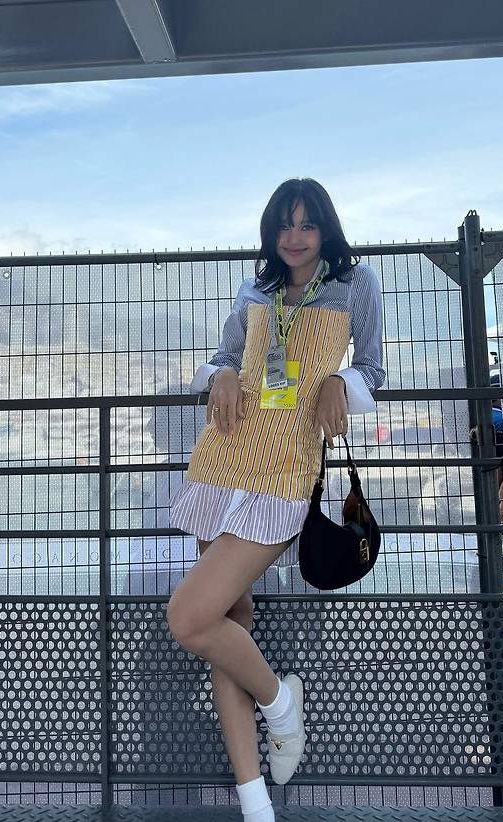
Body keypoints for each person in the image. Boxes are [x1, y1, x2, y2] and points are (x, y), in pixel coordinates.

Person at [165, 178, 385, 822]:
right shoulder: (255, 288)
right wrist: (221, 374)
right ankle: (255, 802)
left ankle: (282, 706)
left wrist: (340, 381)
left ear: (326, 229)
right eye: (284, 225)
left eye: (307, 224)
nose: (295, 237)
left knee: (189, 618)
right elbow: (222, 359)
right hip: (222, 459)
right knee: (226, 623)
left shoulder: (356, 284)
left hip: (284, 472)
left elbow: (373, 369)